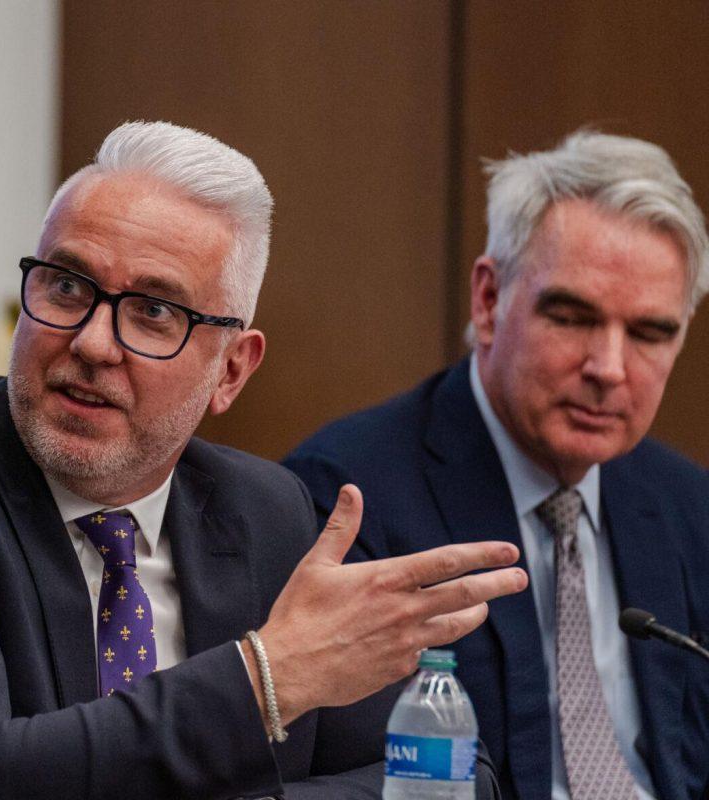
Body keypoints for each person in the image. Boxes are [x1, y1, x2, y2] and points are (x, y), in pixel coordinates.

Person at [0, 121, 525, 799]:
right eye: (67, 288)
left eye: (152, 311)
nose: (93, 343)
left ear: (232, 371)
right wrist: (266, 679)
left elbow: (452, 775)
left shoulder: (263, 513)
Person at [285, 130, 709, 800]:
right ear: (489, 300)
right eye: (571, 317)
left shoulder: (690, 508)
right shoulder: (348, 499)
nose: (609, 368)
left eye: (651, 333)